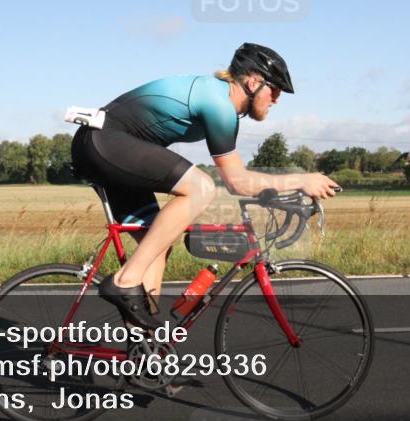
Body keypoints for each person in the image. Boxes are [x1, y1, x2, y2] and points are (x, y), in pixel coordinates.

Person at [70, 43, 338, 329]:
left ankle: (144, 354)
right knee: (201, 188)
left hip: (108, 147)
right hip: (104, 143)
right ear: (253, 82)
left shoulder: (218, 98)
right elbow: (238, 182)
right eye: (275, 90)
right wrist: (302, 180)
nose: (277, 100)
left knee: (157, 247)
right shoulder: (218, 103)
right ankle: (125, 282)